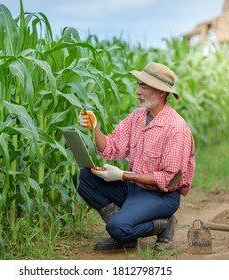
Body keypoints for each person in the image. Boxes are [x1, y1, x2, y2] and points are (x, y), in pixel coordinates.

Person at [74, 62, 195, 251]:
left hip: (161, 196)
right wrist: (94, 127)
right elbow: (111, 147)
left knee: (116, 227)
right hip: (136, 188)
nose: (138, 91)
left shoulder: (176, 129)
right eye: (139, 85)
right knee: (83, 178)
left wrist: (122, 176)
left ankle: (164, 224)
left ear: (161, 92)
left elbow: (168, 179)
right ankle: (126, 237)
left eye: (144, 86)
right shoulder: (137, 117)